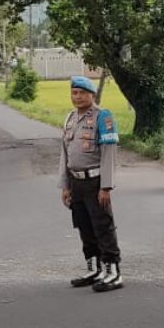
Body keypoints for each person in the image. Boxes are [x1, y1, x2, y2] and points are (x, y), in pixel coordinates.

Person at [59, 75, 123, 292]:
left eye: (82, 93)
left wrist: (106, 186)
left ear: (91, 95)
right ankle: (94, 268)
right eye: (74, 93)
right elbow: (65, 155)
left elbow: (108, 154)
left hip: (95, 181)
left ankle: (113, 271)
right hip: (76, 182)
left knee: (102, 226)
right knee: (84, 226)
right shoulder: (70, 118)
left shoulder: (102, 117)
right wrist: (65, 186)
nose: (77, 97)